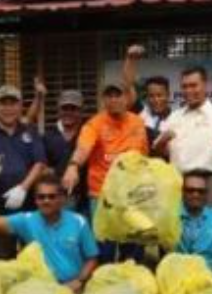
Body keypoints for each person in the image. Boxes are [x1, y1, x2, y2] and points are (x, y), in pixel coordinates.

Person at [61, 80, 148, 263]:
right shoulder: (94, 124)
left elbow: (144, 155)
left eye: (118, 95)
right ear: (103, 100)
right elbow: (83, 148)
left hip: (132, 194)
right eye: (109, 95)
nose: (114, 99)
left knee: (132, 247)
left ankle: (132, 283)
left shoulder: (138, 123)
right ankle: (103, 283)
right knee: (104, 249)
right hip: (102, 195)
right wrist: (73, 166)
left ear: (127, 98)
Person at [0, 173, 98, 290]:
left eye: (51, 196)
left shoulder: (79, 222)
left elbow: (92, 258)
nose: (46, 201)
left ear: (62, 199)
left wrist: (79, 281)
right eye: (41, 197)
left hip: (73, 287)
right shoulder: (27, 220)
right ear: (35, 200)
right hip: (40, 290)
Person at [0, 85, 47, 258]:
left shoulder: (29, 130)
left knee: (32, 257)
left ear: (21, 105)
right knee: (3, 259)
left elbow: (40, 163)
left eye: (13, 103)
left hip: (28, 208)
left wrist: (23, 188)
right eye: (3, 103)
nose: (8, 108)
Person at [154, 66, 212, 207]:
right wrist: (162, 142)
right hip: (178, 182)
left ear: (205, 85)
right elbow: (161, 153)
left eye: (193, 85)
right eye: (184, 86)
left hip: (211, 183)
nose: (188, 91)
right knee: (179, 227)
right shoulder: (174, 117)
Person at [42, 88, 88, 212]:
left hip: (85, 201)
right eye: (65, 108)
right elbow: (43, 166)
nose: (68, 112)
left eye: (73, 109)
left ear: (81, 111)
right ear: (58, 110)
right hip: (56, 201)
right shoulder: (48, 136)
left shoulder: (88, 133)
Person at [122, 45, 173, 140]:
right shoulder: (142, 113)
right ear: (147, 97)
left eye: (159, 95)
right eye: (151, 96)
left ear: (168, 95)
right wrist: (130, 59)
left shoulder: (177, 118)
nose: (156, 100)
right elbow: (127, 86)